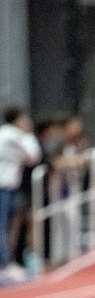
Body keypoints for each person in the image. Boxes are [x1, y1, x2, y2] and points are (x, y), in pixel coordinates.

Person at [0, 106, 41, 285]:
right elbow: (33, 156)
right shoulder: (13, 135)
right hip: (3, 186)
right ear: (17, 119)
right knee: (2, 227)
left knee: (5, 226)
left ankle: (6, 264)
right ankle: (5, 266)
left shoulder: (6, 134)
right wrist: (29, 134)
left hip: (6, 186)